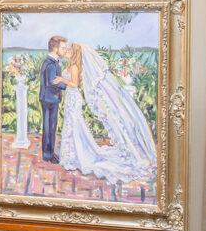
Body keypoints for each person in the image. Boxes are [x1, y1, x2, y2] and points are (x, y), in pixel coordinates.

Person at [58, 43, 157, 185]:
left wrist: (61, 79)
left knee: (74, 124)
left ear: (74, 54)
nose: (66, 51)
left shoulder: (74, 66)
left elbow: (74, 83)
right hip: (70, 97)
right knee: (71, 124)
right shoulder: (69, 65)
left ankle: (76, 154)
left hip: (73, 97)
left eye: (69, 50)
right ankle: (72, 154)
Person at [38, 35, 67, 162]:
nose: (64, 50)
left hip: (50, 99)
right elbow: (51, 81)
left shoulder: (52, 62)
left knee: (51, 127)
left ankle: (49, 153)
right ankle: (48, 154)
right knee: (50, 127)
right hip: (49, 100)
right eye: (63, 48)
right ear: (55, 48)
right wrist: (67, 85)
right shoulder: (50, 63)